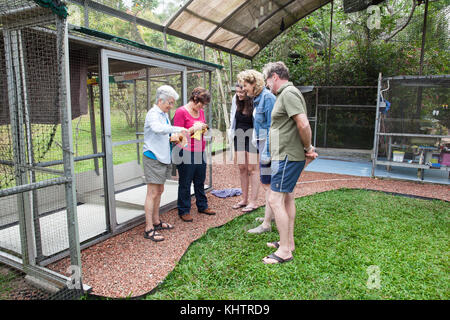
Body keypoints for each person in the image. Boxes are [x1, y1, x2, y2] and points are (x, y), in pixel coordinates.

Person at [261, 61, 318, 264]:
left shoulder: (288, 93)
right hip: (285, 155)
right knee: (286, 199)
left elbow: (303, 123)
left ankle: (285, 251)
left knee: (275, 200)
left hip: (287, 156)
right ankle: (288, 242)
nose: (266, 85)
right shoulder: (284, 94)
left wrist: (308, 148)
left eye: (267, 80)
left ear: (274, 77)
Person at [142, 85, 188, 242]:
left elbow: (166, 133)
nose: (171, 106)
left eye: (173, 102)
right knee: (152, 192)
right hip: (153, 157)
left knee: (159, 190)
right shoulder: (153, 114)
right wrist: (179, 128)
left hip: (163, 157)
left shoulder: (164, 114)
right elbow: (157, 129)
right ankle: (149, 228)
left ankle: (156, 221)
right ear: (160, 100)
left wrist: (177, 137)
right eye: (170, 102)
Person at [236, 70, 276, 232]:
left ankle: (266, 224)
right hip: (262, 143)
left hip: (269, 146)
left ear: (254, 83)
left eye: (245, 85)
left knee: (267, 184)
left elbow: (274, 127)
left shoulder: (267, 98)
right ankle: (271, 215)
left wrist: (267, 152)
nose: (244, 89)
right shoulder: (258, 99)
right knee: (268, 182)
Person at [173, 87, 216, 222]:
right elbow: (177, 136)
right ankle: (184, 210)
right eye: (201, 104)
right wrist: (192, 129)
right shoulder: (181, 112)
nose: (202, 107)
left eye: (204, 105)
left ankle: (202, 206)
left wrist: (202, 129)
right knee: (185, 182)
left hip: (199, 150)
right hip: (185, 151)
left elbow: (199, 131)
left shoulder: (200, 112)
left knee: (200, 180)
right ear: (195, 99)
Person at [228, 83, 260, 212]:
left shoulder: (255, 101)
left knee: (252, 168)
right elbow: (232, 118)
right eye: (237, 92)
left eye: (242, 92)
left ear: (248, 92)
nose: (239, 95)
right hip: (239, 135)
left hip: (252, 135)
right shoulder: (235, 99)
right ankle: (244, 199)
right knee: (242, 167)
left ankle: (253, 201)